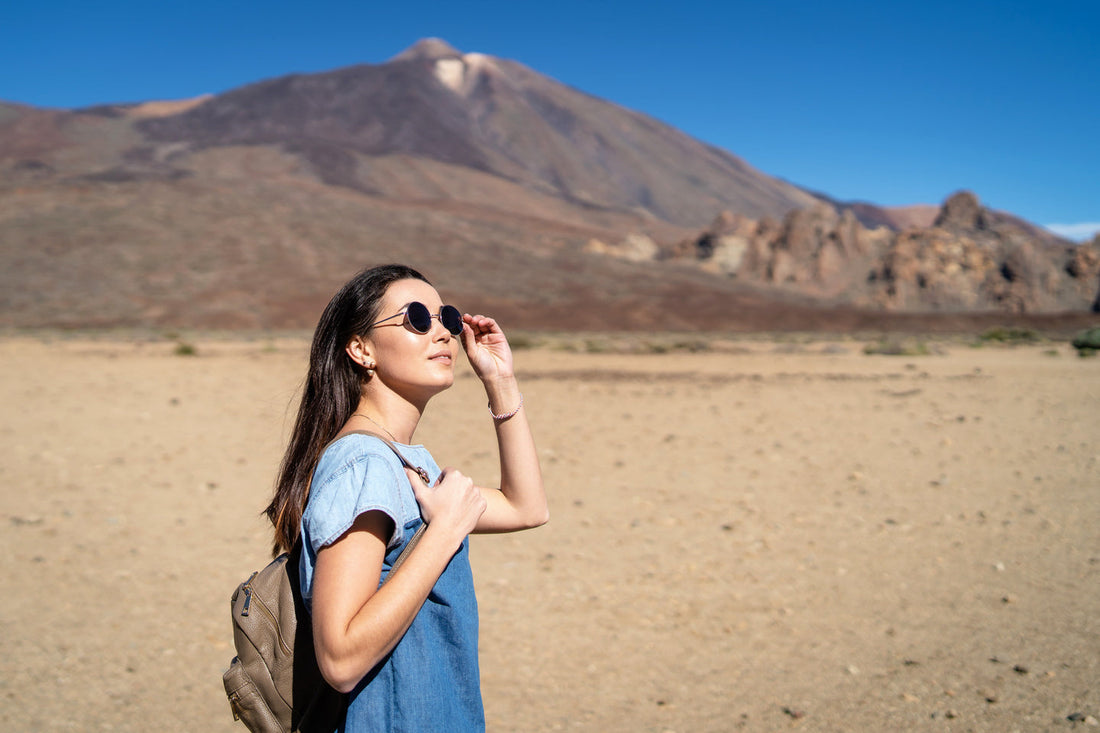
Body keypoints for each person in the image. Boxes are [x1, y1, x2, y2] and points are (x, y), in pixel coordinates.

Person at [264, 264, 548, 731]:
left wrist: (501, 382)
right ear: (361, 349)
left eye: (447, 318)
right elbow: (340, 658)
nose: (443, 333)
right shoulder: (364, 464)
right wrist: (445, 531)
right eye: (416, 318)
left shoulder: (401, 463)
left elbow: (527, 508)